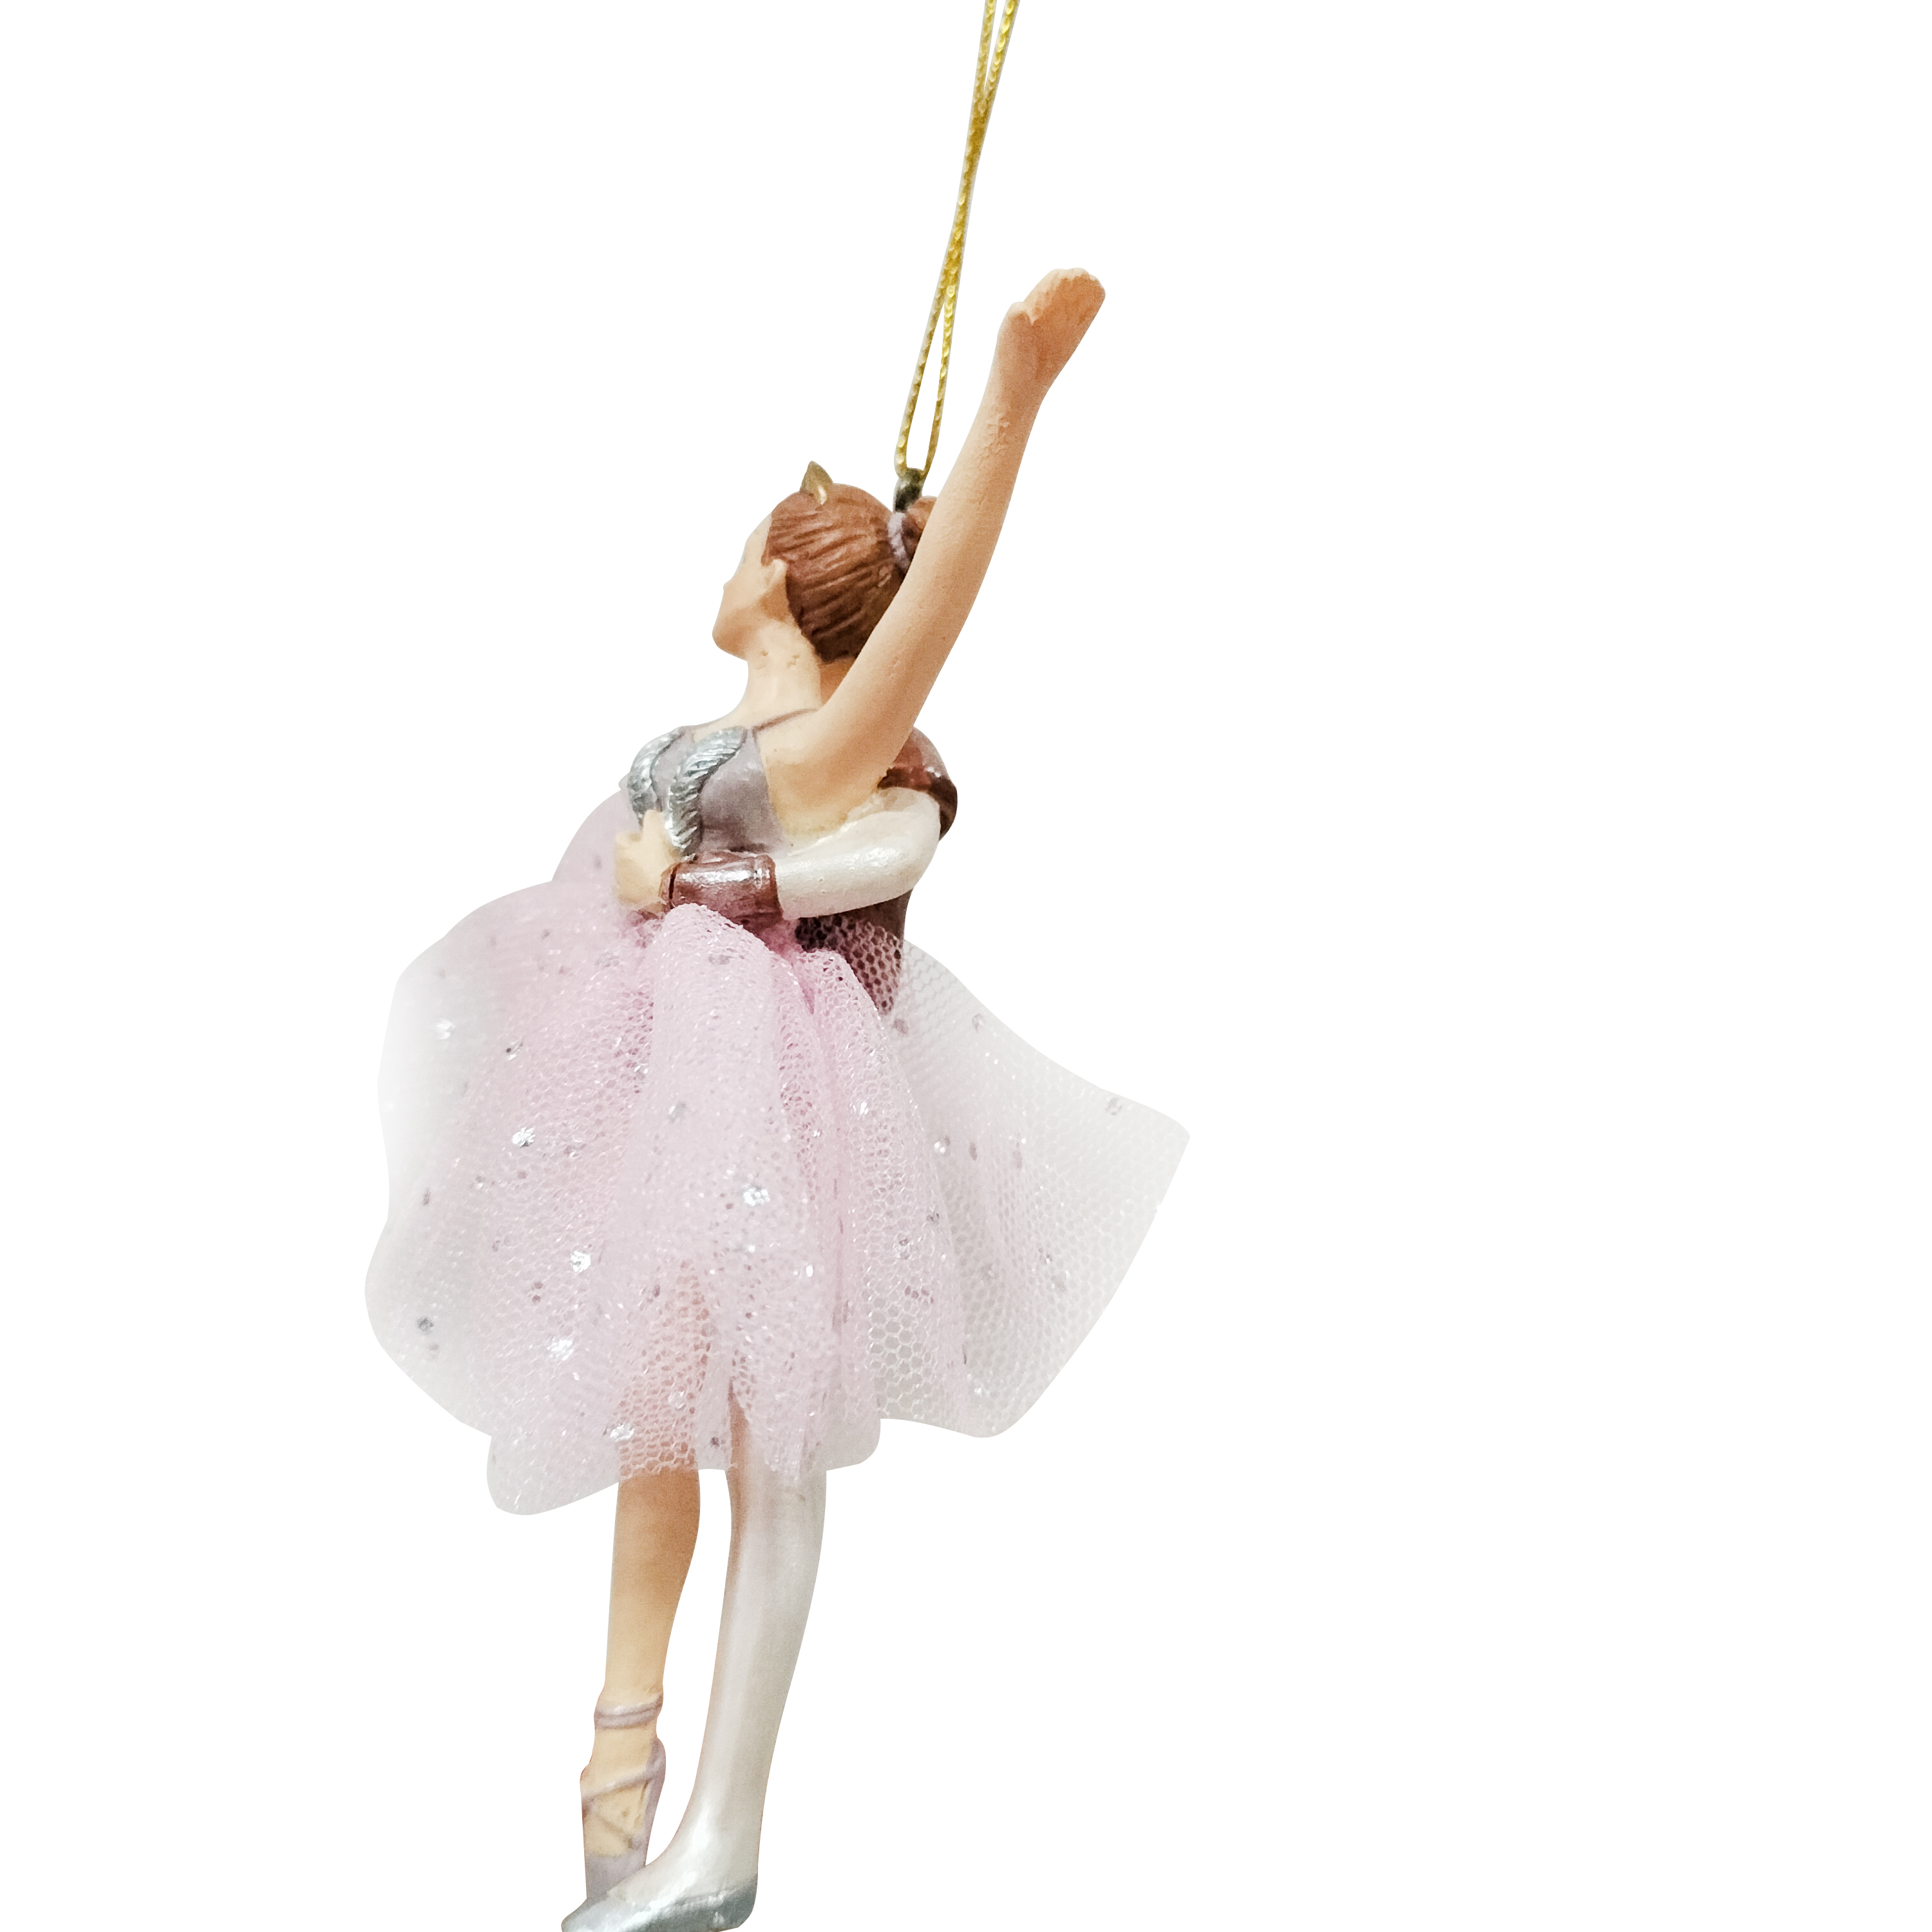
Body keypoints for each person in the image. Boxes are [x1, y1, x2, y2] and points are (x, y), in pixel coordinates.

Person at [366, 270, 1186, 1932]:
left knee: (769, 1448)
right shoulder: (728, 738)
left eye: (755, 543)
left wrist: (1012, 402)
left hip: (771, 1097)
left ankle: (720, 1836)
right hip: (658, 1097)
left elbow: (936, 609)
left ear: (783, 586)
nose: (733, 562)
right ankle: (622, 1767)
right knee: (654, 1419)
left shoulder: (826, 746)